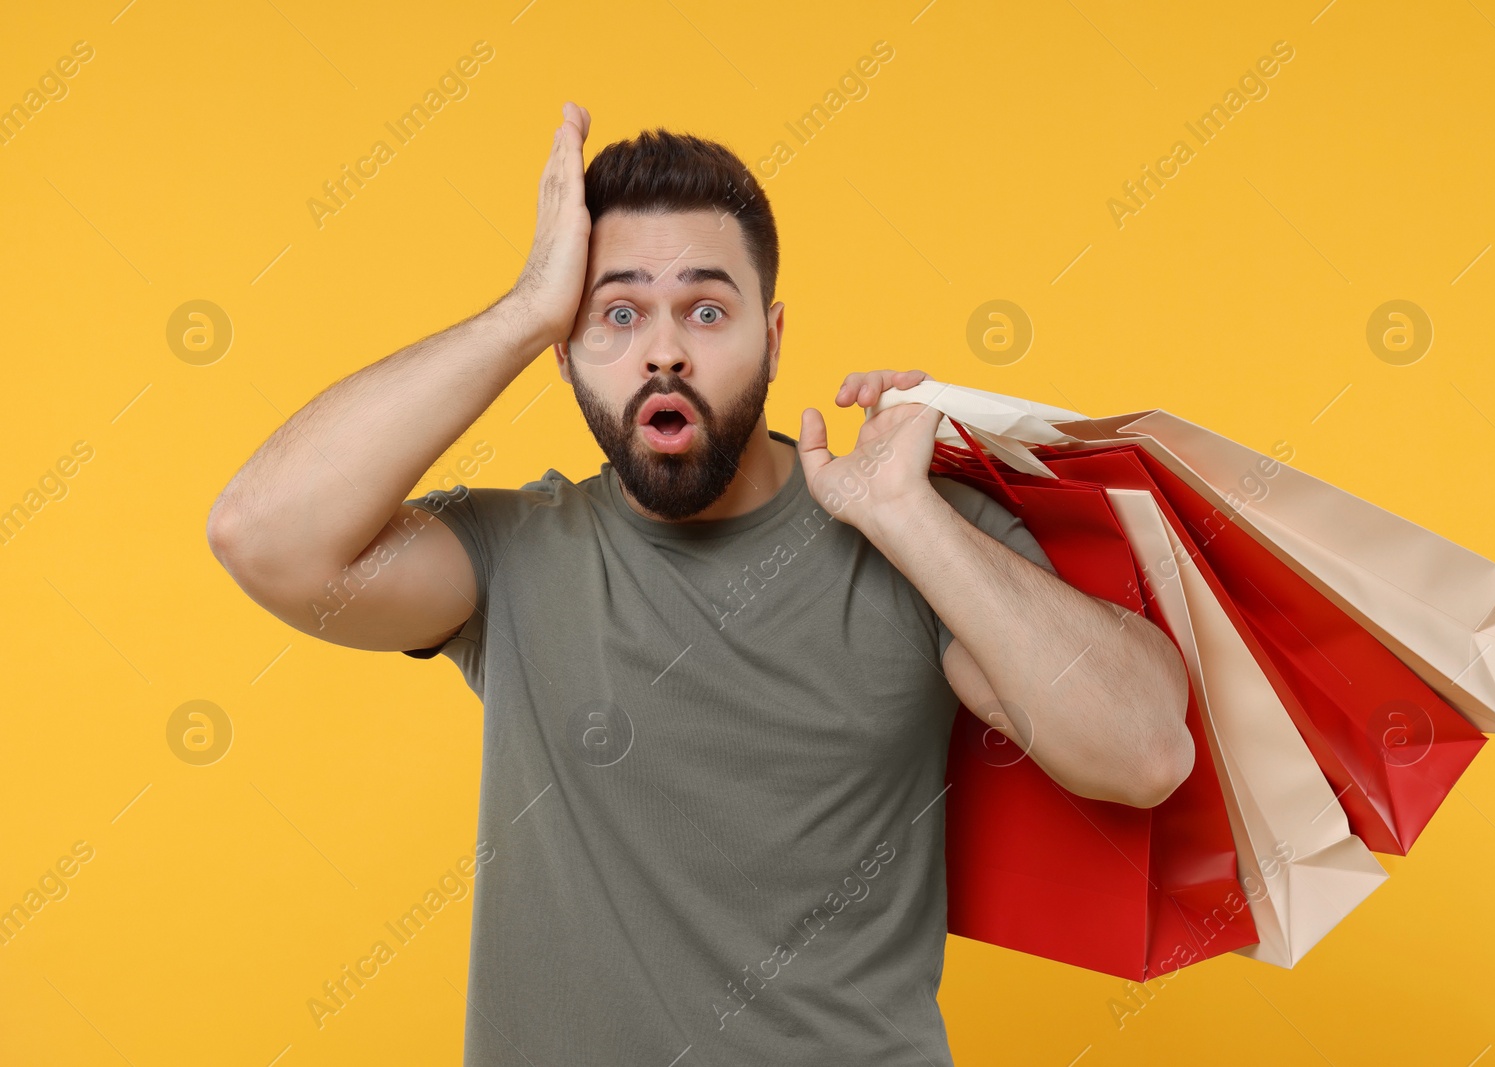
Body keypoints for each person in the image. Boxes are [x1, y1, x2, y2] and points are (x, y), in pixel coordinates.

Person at [206, 101, 1192, 1066]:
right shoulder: (514, 554)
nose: (664, 347)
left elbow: (1144, 747)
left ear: (771, 335)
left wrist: (909, 517)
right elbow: (265, 536)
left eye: (705, 310)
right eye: (617, 313)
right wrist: (519, 312)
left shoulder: (910, 531)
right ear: (564, 353)